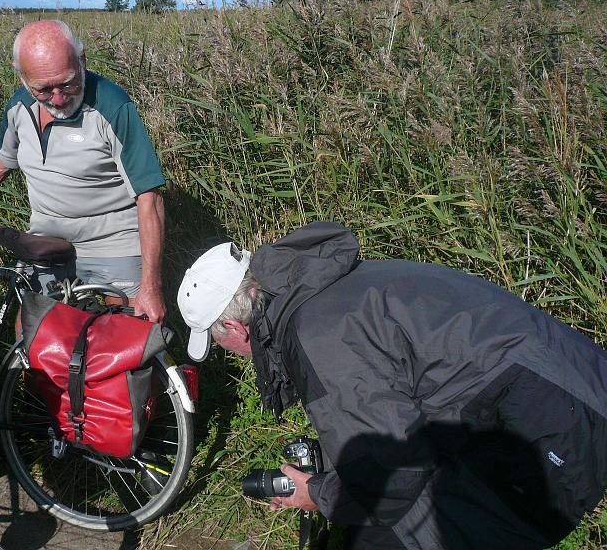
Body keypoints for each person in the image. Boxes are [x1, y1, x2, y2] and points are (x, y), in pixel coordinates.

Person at [177, 222, 607, 549]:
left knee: (392, 535)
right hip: (560, 384)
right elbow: (404, 404)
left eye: (220, 342)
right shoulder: (326, 289)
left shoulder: (318, 336)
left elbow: (394, 478)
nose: (231, 351)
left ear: (235, 326)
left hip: (550, 417)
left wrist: (319, 495)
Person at [0, 19, 165, 322]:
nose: (58, 99)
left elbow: (149, 196)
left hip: (112, 241)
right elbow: (2, 159)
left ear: (82, 60)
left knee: (127, 336)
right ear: (21, 76)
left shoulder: (112, 107)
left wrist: (152, 285)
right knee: (31, 331)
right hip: (48, 240)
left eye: (68, 83)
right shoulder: (19, 107)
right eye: (43, 89)